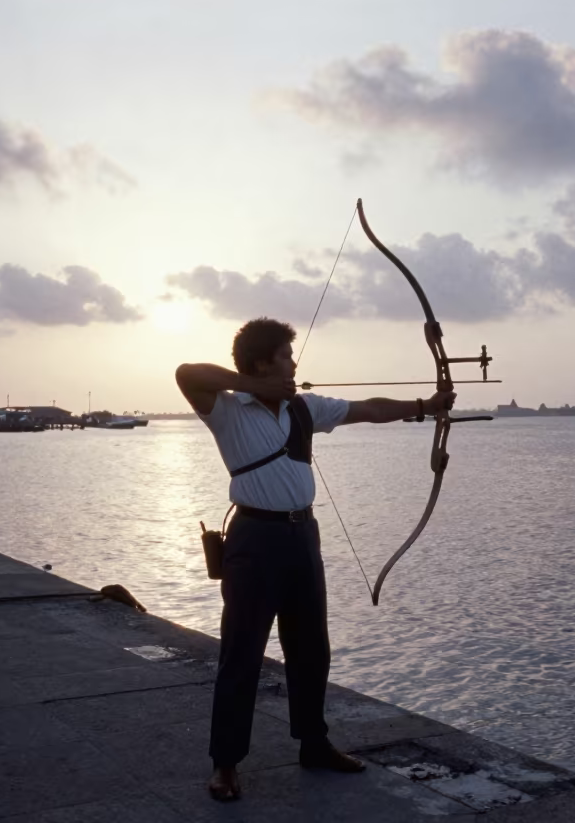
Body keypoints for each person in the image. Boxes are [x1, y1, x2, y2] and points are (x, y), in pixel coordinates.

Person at [176, 317, 456, 802]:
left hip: (302, 534)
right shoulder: (225, 408)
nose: (294, 364)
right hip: (253, 538)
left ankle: (314, 743)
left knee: (311, 648)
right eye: (286, 357)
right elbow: (185, 372)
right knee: (241, 653)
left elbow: (366, 408)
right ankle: (225, 764)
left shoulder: (303, 408)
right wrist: (255, 385)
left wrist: (425, 407)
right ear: (263, 362)